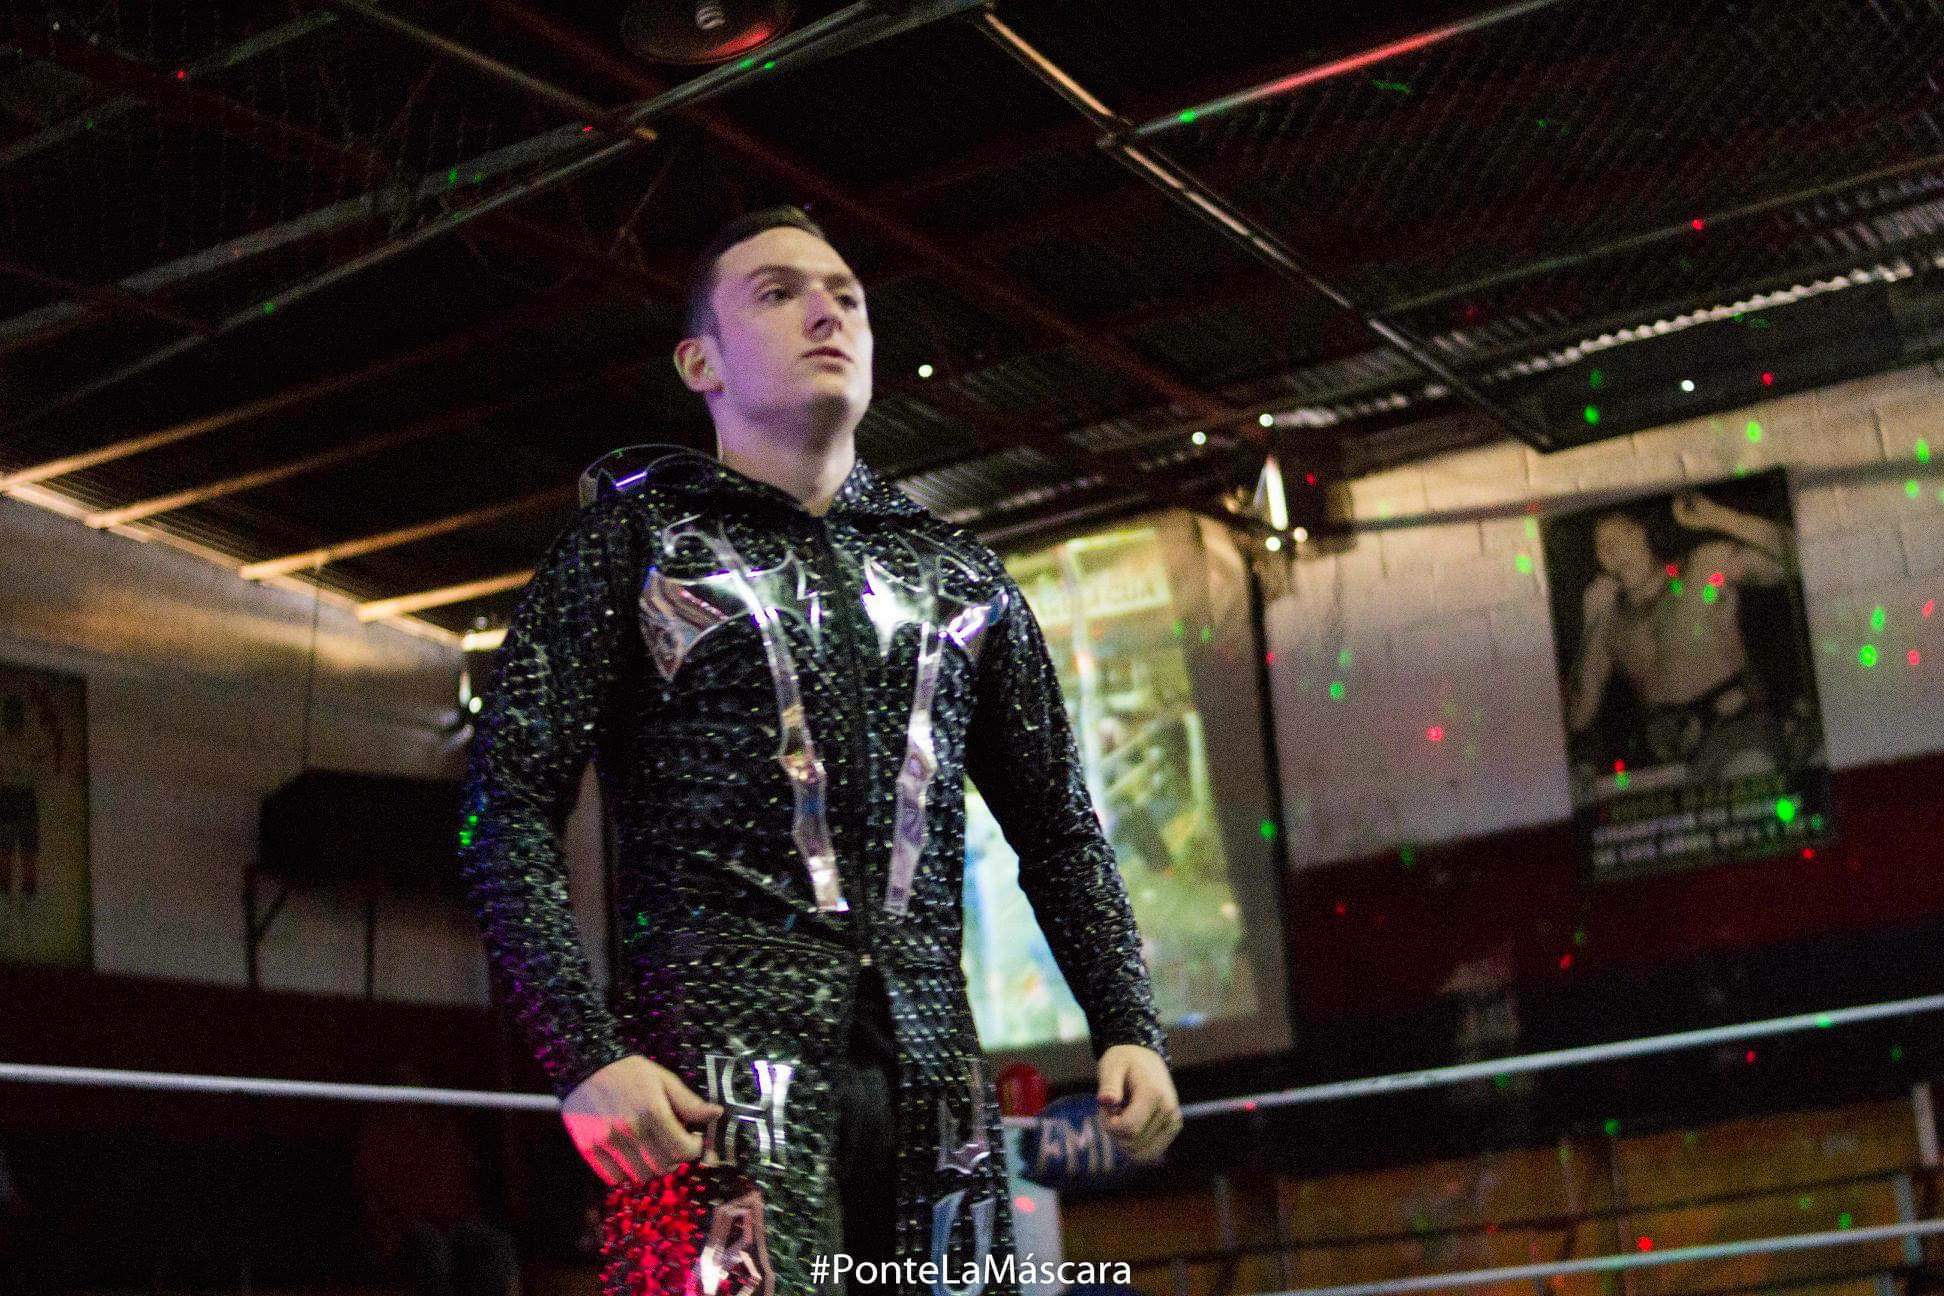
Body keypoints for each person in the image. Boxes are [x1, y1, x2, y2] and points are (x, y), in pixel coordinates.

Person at [458, 205, 1180, 1296]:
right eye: (777, 293)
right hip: (712, 1081)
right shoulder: (633, 545)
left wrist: (1128, 1022)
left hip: (935, 1079)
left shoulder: (961, 577)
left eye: (846, 296)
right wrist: (585, 1056)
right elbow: (504, 806)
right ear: (699, 361)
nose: (825, 312)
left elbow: (1060, 828)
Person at [1567, 489, 1792, 781]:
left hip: (1737, 736)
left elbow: (1795, 558)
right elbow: (1579, 715)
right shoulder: (1609, 619)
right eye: (1603, 547)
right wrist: (1591, 623)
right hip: (1668, 761)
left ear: (1642, 533)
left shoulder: (1705, 569)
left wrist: (1720, 517)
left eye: (1620, 537)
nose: (1613, 552)